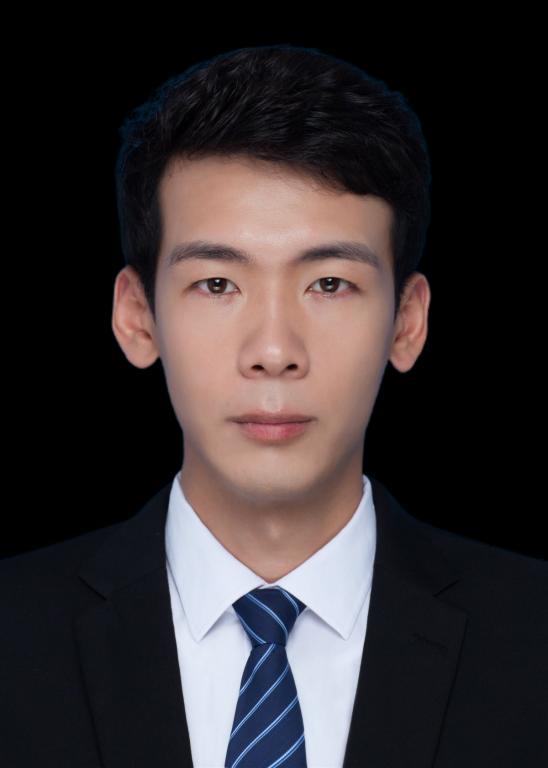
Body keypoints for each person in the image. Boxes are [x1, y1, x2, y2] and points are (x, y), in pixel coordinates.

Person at [2, 44, 546, 768]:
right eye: (217, 284)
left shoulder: (535, 635)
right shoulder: (11, 632)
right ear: (137, 317)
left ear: (407, 323)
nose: (273, 350)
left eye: (329, 284)